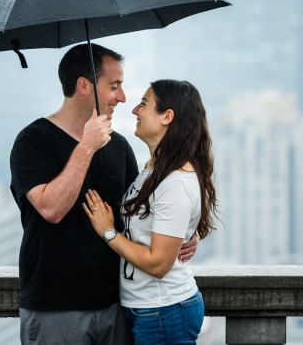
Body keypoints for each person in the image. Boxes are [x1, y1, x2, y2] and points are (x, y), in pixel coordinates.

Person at [10, 45, 199, 345]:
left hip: (115, 307)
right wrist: (86, 147)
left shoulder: (119, 146)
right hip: (55, 309)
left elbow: (139, 213)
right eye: (114, 86)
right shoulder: (33, 140)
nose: (122, 98)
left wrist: (185, 232)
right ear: (83, 86)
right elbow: (51, 209)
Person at [83, 79, 218, 344]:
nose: (135, 110)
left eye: (144, 104)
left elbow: (158, 264)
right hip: (147, 309)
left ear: (167, 117)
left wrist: (108, 232)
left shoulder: (175, 181)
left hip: (164, 311)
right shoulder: (154, 171)